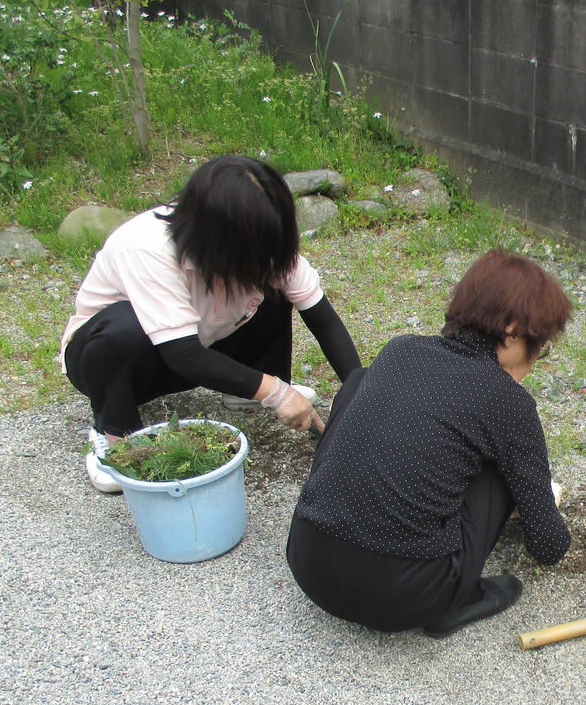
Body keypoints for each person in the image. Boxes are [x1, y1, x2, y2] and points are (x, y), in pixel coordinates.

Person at [286, 248, 571, 637]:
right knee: (504, 458)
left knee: (358, 382)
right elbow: (548, 547)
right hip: (402, 599)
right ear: (513, 329)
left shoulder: (400, 349)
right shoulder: (507, 401)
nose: (536, 358)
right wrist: (540, 502)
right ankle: (459, 598)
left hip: (307, 564)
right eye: (540, 345)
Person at [59, 154, 361, 492]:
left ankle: (247, 390)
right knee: (122, 329)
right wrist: (277, 392)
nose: (267, 258)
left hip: (200, 346)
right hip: (118, 364)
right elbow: (183, 355)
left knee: (272, 288)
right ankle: (113, 431)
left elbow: (324, 322)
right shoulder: (146, 247)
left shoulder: (263, 242)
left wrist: (363, 396)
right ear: (217, 236)